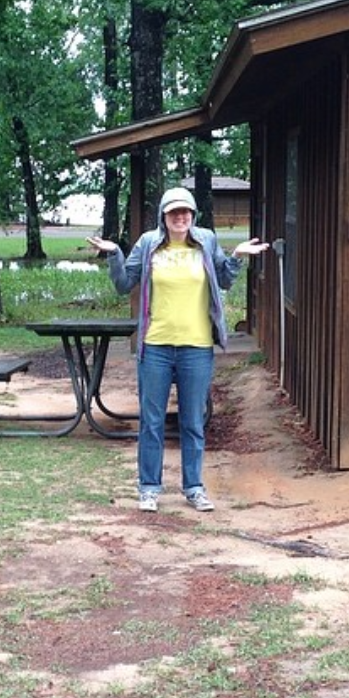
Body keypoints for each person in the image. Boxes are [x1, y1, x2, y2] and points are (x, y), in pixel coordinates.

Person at [89, 188, 268, 511]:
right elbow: (123, 285)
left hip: (196, 347)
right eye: (174, 212)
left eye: (185, 211)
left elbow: (225, 280)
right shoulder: (148, 244)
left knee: (193, 421)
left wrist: (237, 256)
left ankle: (194, 487)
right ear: (164, 215)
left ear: (193, 214)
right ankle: (149, 488)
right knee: (152, 422)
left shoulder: (206, 241)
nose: (180, 217)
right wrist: (114, 253)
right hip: (155, 346)